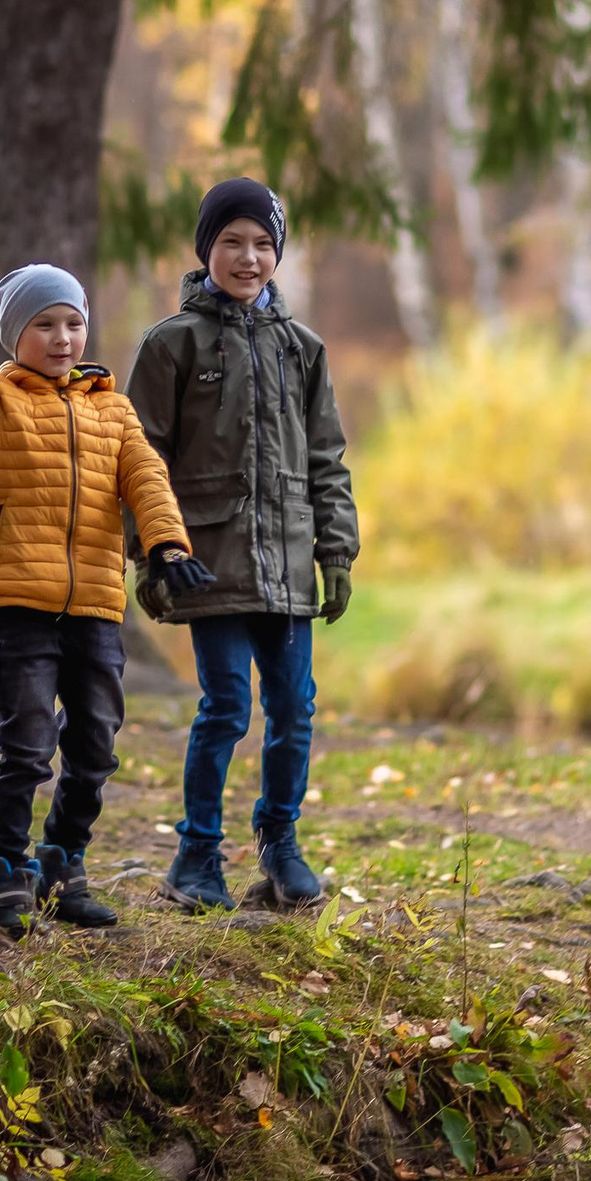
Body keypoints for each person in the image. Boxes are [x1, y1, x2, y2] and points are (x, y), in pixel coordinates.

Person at [0, 208, 215, 936]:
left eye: (72, 322)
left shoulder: (116, 413)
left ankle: (64, 862)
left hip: (97, 604)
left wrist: (169, 546)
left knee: (97, 740)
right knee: (27, 743)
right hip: (23, 601)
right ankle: (7, 871)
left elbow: (148, 482)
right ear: (17, 336)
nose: (62, 338)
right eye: (45, 324)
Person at [125, 177, 358, 912]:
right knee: (225, 706)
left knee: (294, 708)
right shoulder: (172, 344)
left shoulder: (303, 349)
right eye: (232, 241)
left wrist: (337, 552)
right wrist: (154, 551)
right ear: (207, 249)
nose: (247, 257)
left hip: (289, 564)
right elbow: (139, 456)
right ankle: (196, 856)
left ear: (277, 253)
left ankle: (281, 842)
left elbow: (328, 459)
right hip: (209, 563)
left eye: (262, 244)